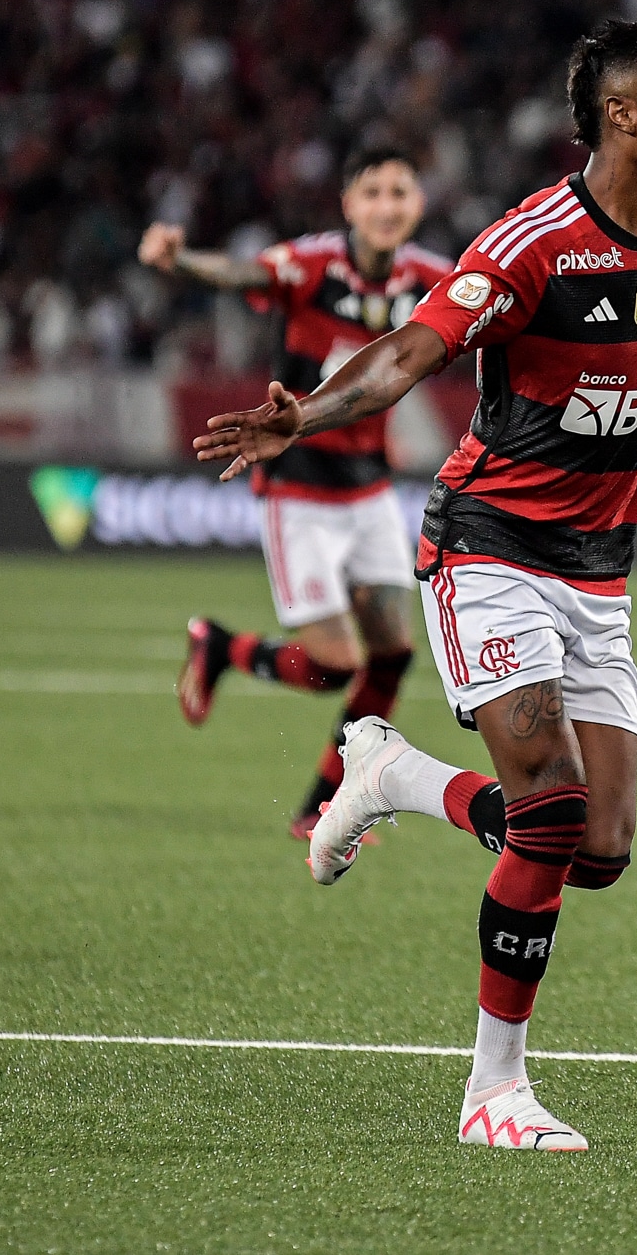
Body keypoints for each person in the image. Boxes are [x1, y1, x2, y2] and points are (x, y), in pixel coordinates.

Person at [192, 20, 637, 1151]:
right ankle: (494, 1090)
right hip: (490, 547)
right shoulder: (530, 244)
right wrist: (307, 413)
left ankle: (389, 771)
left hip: (597, 576)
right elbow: (412, 351)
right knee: (553, 809)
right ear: (622, 115)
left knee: (599, 848)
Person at [141, 147, 452, 840]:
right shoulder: (311, 266)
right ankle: (221, 645)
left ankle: (322, 804)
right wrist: (182, 259)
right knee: (332, 666)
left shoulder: (431, 277)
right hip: (299, 489)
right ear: (348, 205)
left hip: (369, 486)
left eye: (400, 190)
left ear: (417, 206)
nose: (387, 203)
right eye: (372, 190)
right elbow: (244, 271)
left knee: (393, 654)